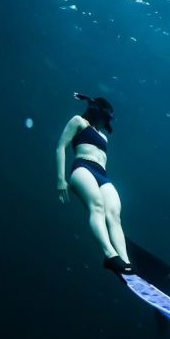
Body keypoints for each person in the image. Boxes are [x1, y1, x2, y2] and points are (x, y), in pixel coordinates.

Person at [56, 93, 135, 276]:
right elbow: (61, 146)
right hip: (82, 167)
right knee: (97, 206)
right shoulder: (78, 122)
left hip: (102, 174)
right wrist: (61, 179)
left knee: (114, 214)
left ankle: (125, 261)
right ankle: (110, 254)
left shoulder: (104, 138)